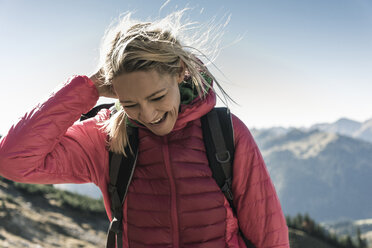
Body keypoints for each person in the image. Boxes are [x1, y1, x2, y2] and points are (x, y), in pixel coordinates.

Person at [0, 11, 289, 248]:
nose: (148, 115)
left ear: (178, 72)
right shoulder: (106, 138)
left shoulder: (225, 133)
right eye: (130, 103)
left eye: (157, 97)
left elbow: (269, 236)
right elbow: (12, 161)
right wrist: (87, 89)